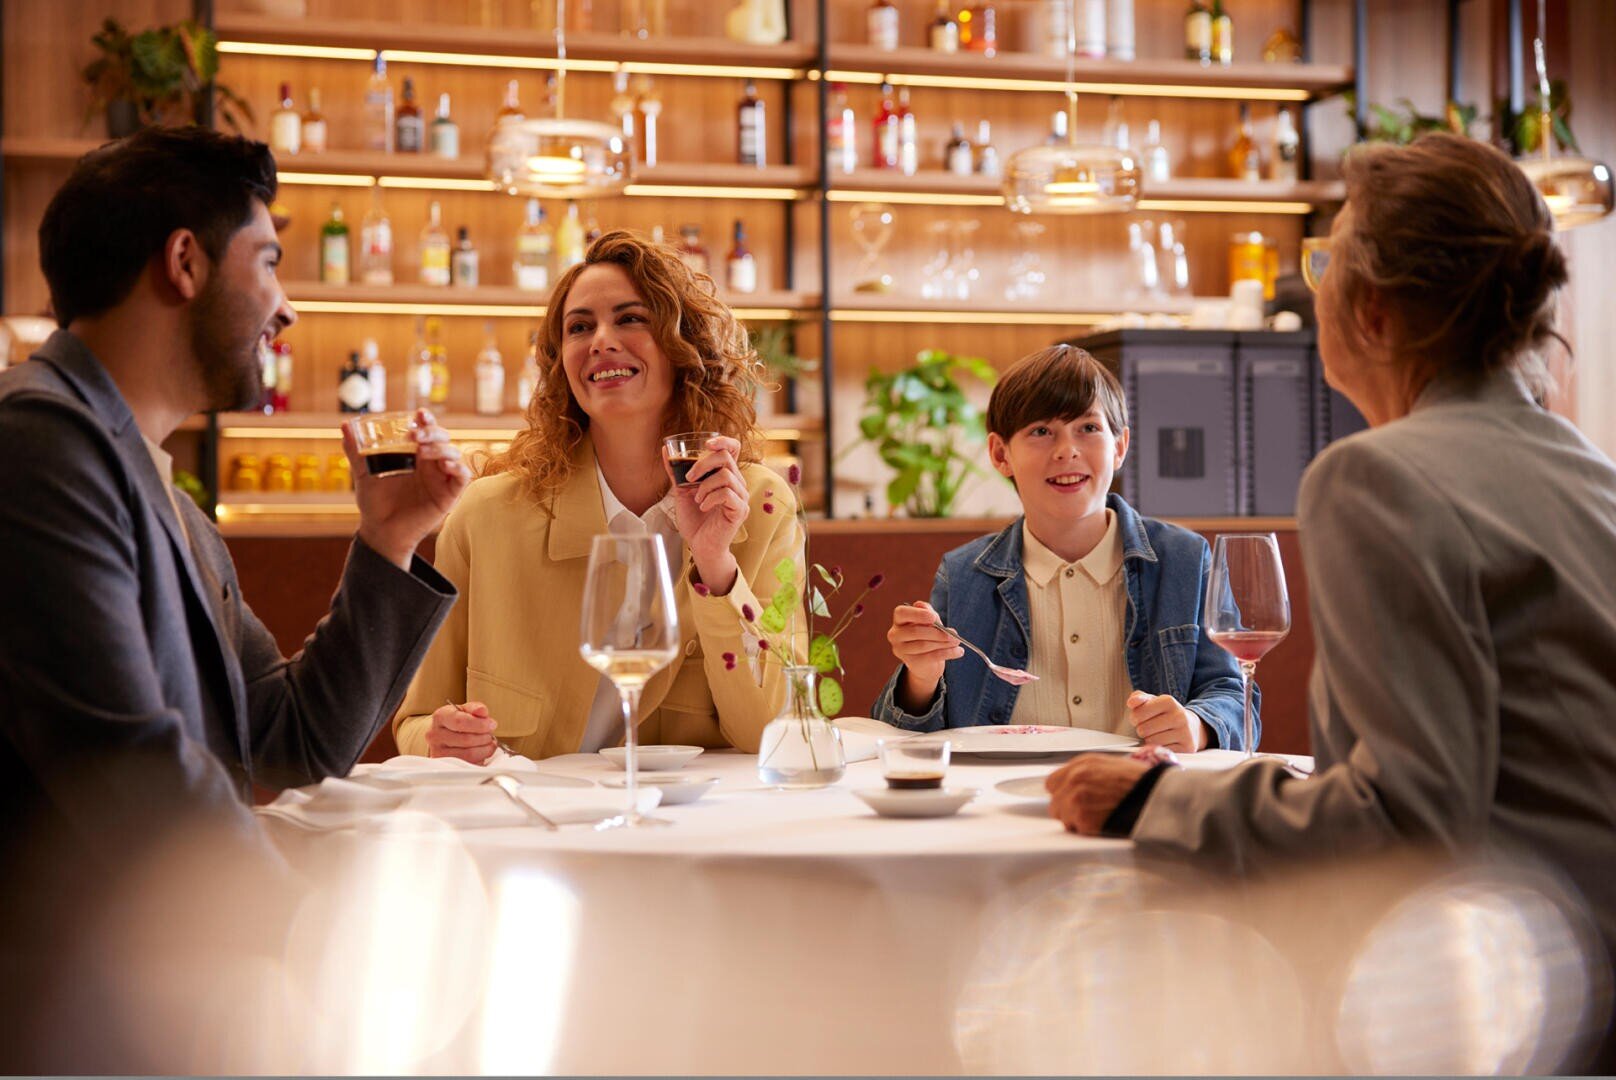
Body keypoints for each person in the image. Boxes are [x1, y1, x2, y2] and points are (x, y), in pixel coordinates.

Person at [1045, 133, 1616, 1066]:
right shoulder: (1590, 472)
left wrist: (1156, 804)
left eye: (1324, 261)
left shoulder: (1379, 477)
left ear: (1376, 312)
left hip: (1543, 999)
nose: (1312, 293)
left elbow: (1407, 819)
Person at [0, 127, 468, 1069]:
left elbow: (289, 738)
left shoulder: (167, 499)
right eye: (268, 261)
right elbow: (129, 769)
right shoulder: (38, 448)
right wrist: (328, 933)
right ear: (184, 262)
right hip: (69, 1019)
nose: (286, 307)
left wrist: (391, 536)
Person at [393, 230, 802, 762]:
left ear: (684, 347)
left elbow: (776, 733)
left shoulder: (760, 504)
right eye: (579, 327)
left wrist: (714, 563)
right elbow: (416, 722)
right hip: (534, 822)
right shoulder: (487, 515)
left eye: (630, 318)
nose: (600, 340)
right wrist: (439, 738)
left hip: (692, 827)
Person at [872, 344, 1251, 752]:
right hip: (999, 804)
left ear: (1120, 446)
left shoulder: (1187, 561)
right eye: (1041, 431)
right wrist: (921, 676)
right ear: (1001, 455)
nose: (1067, 450)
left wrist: (1197, 726)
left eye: (1088, 428)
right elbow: (908, 744)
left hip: (1143, 796)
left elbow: (1233, 696)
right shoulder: (965, 574)